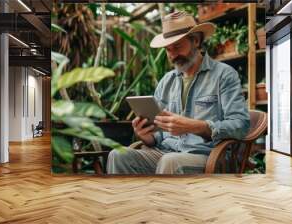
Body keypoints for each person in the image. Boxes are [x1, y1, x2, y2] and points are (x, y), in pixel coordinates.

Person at [107, 11, 250, 174]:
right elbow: (159, 134)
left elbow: (241, 125)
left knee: (171, 162)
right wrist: (147, 136)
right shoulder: (166, 81)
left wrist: (198, 127)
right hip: (166, 153)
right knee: (118, 155)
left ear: (196, 41)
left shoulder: (224, 75)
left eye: (177, 46)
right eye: (168, 49)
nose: (173, 54)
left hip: (208, 155)